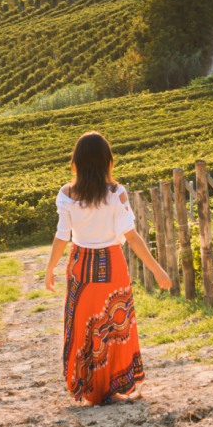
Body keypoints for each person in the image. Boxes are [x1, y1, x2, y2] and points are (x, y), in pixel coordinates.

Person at [41, 131, 171, 406]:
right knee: (115, 326)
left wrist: (50, 268)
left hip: (80, 268)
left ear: (76, 161)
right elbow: (132, 237)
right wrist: (157, 270)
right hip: (112, 265)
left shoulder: (66, 194)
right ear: (106, 161)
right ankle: (115, 387)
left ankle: (89, 390)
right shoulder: (117, 193)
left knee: (84, 328)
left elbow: (62, 236)